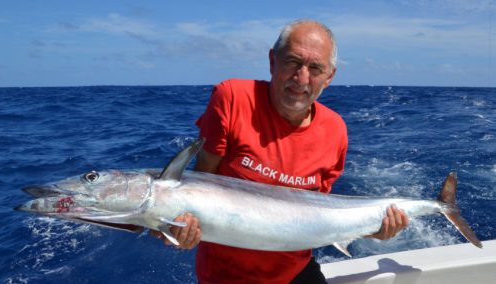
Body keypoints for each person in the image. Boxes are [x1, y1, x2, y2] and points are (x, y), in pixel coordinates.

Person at [151, 19, 409, 283]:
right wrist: (182, 228)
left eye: (315, 68)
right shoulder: (232, 98)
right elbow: (198, 185)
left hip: (295, 272)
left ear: (330, 77)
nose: (301, 78)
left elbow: (320, 216)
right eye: (293, 62)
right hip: (226, 275)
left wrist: (376, 230)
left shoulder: (335, 130)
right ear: (273, 61)